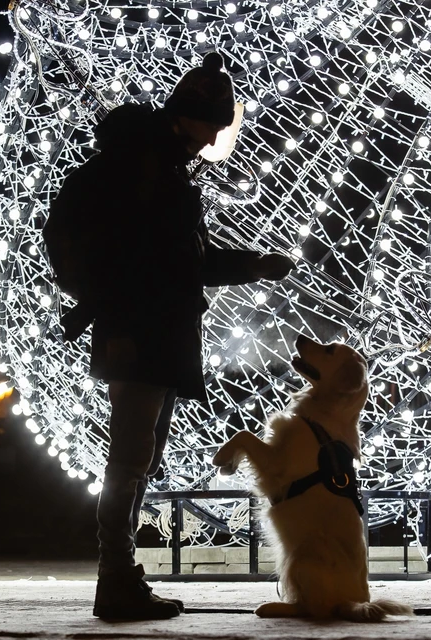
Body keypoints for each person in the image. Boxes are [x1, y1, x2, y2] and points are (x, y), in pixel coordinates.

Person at [74, 52, 296, 621]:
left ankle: (121, 579)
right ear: (187, 117)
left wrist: (253, 265)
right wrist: (115, 309)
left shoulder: (165, 171)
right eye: (215, 125)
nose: (217, 138)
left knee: (140, 457)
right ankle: (116, 580)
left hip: (156, 330)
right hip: (139, 332)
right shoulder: (143, 171)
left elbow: (183, 263)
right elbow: (148, 263)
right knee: (130, 456)